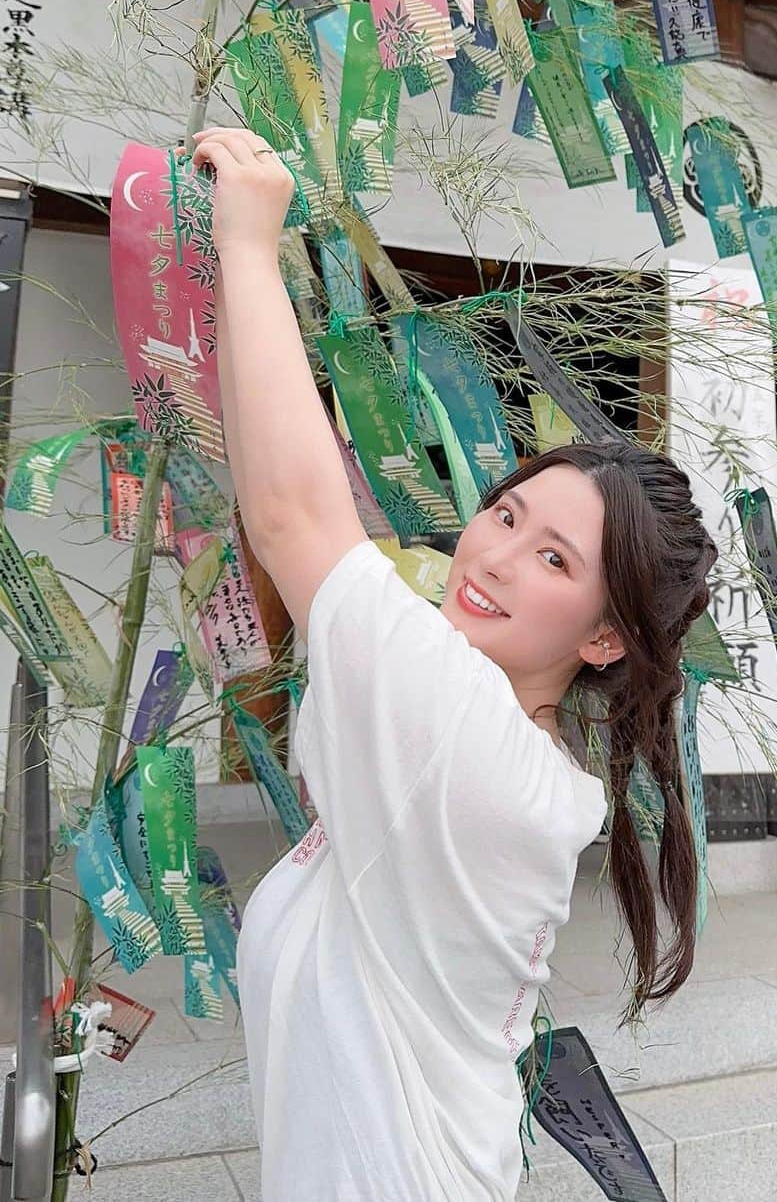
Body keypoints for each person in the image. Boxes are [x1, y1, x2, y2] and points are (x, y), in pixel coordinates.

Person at [190, 126, 717, 1201]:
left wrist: (249, 249)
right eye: (508, 512)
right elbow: (272, 499)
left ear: (604, 637)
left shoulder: (460, 731)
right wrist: (232, 268)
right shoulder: (498, 731)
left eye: (554, 558)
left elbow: (295, 519)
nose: (494, 557)